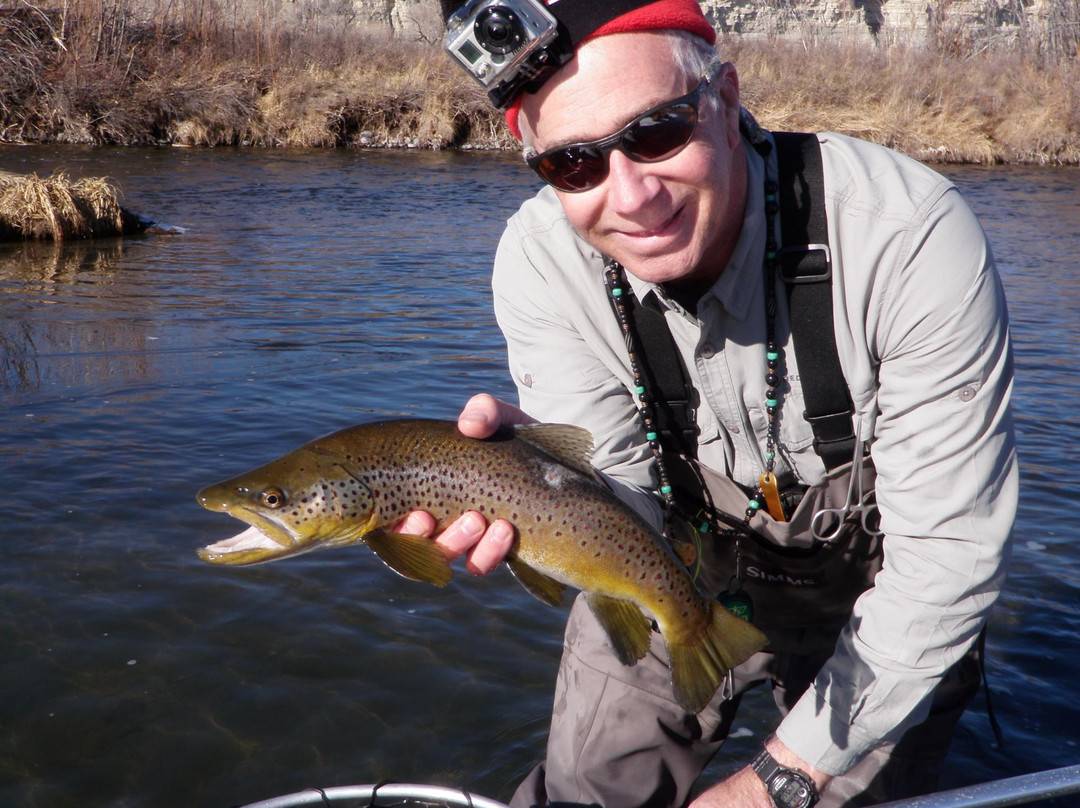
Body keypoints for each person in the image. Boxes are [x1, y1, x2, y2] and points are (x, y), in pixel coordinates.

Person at [401, 1, 1018, 806]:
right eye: (573, 166)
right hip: (662, 560)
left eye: (656, 132)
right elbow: (619, 496)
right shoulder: (539, 263)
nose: (630, 197)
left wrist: (776, 782)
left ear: (725, 101)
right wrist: (540, 486)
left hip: (878, 599)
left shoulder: (907, 236)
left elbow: (945, 564)